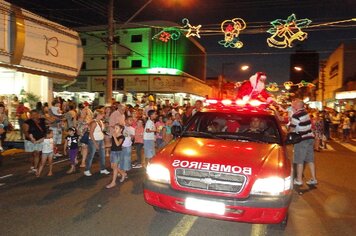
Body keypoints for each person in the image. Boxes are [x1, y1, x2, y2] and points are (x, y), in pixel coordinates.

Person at [289, 99, 317, 186]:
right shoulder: (306, 113)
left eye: (294, 104)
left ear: (297, 105)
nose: (292, 105)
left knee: (299, 160)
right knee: (310, 159)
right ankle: (313, 179)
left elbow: (292, 128)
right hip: (310, 137)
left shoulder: (296, 115)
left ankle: (299, 179)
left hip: (301, 139)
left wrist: (288, 132)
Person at [84, 109, 110, 176]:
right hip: (93, 141)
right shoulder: (94, 123)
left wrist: (104, 138)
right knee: (91, 156)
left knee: (102, 156)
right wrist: (95, 143)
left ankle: (102, 169)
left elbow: (101, 131)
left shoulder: (101, 122)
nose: (103, 115)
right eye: (102, 114)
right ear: (98, 115)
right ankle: (87, 170)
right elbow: (91, 134)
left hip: (101, 140)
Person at [106, 124, 125, 189]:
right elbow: (112, 144)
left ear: (121, 130)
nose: (115, 129)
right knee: (113, 167)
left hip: (117, 153)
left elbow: (118, 144)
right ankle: (123, 174)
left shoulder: (122, 137)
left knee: (115, 168)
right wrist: (104, 146)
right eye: (114, 128)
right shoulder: (114, 136)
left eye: (116, 128)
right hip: (113, 152)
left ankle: (113, 182)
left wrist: (114, 136)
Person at [120, 116, 135, 180]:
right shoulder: (122, 127)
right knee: (121, 159)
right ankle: (121, 171)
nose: (131, 121)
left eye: (132, 120)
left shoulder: (132, 129)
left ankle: (124, 172)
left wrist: (132, 138)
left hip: (128, 145)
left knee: (126, 159)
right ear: (125, 120)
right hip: (121, 145)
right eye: (130, 120)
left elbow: (132, 138)